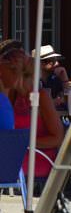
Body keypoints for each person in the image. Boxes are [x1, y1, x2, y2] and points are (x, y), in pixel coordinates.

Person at [0, 40, 64, 178]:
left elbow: (57, 138)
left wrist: (26, 143)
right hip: (15, 157)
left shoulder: (41, 97)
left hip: (37, 158)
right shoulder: (11, 95)